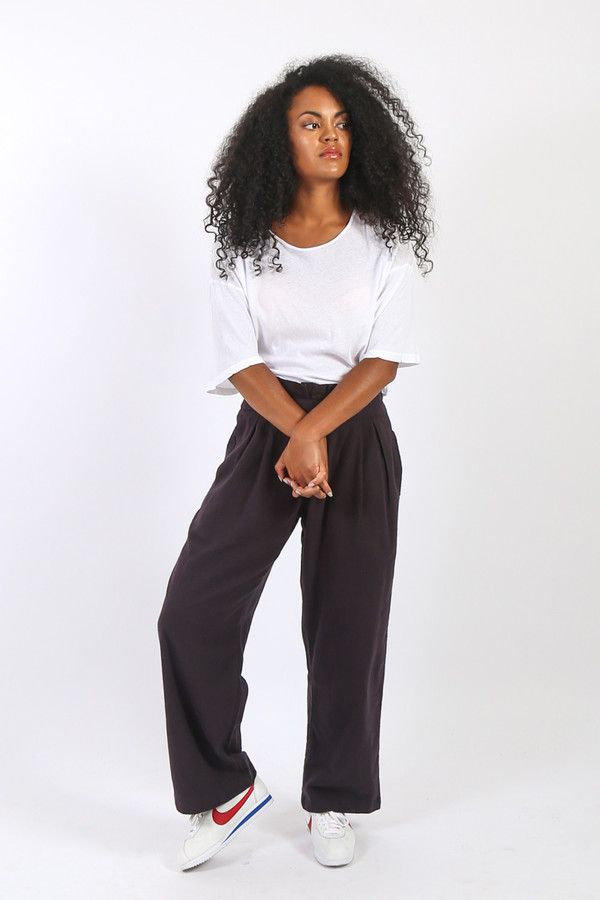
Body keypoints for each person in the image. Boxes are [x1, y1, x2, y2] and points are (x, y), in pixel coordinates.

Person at [157, 53, 434, 870]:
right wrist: (296, 432)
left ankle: (334, 796)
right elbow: (241, 359)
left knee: (349, 624)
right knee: (192, 610)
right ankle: (224, 789)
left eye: (342, 123)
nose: (330, 137)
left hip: (355, 430)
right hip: (268, 430)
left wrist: (317, 431)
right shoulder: (245, 245)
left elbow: (382, 361)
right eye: (311, 123)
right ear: (279, 140)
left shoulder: (385, 243)